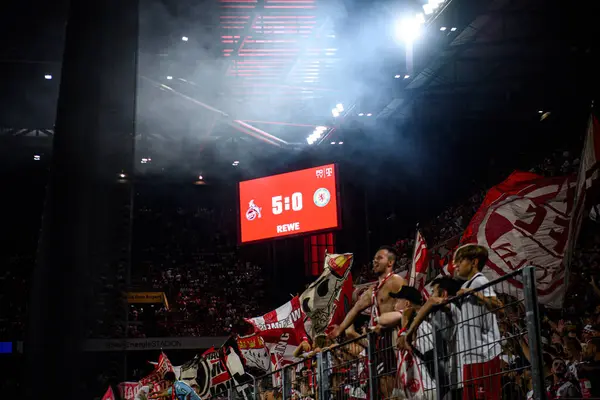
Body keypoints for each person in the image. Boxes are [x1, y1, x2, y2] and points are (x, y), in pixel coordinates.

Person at [329, 245, 406, 398]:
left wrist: (404, 332)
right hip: (380, 341)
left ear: (390, 263)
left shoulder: (396, 281)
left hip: (394, 336)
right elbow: (355, 309)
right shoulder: (373, 290)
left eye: (379, 258)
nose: (374, 261)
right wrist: (340, 328)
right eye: (374, 258)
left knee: (395, 380)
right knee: (383, 381)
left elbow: (407, 307)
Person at [399, 276, 462, 399]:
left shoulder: (454, 309)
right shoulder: (438, 314)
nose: (430, 296)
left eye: (433, 292)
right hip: (450, 377)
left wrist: (411, 330)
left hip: (460, 374)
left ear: (443, 293)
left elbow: (432, 302)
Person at [453, 244, 502, 400]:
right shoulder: (467, 284)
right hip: (471, 355)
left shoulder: (479, 281)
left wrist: (473, 292)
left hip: (484, 354)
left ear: (474, 262)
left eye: (460, 261)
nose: (456, 265)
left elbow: (499, 307)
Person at [375, 285, 436, 400]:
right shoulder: (418, 323)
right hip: (421, 387)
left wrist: (377, 321)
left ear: (407, 304)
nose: (394, 305)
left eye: (397, 301)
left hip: (426, 387)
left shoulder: (418, 323)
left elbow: (383, 319)